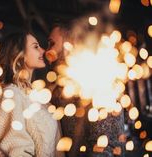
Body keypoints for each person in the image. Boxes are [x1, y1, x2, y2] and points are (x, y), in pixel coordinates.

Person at [46, 19, 125, 157]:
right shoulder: (62, 88)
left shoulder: (97, 82)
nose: (48, 51)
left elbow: (104, 148)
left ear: (69, 43)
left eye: (51, 44)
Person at [0, 30, 64, 157]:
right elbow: (15, 151)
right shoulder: (11, 95)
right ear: (20, 55)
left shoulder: (40, 99)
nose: (43, 51)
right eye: (36, 47)